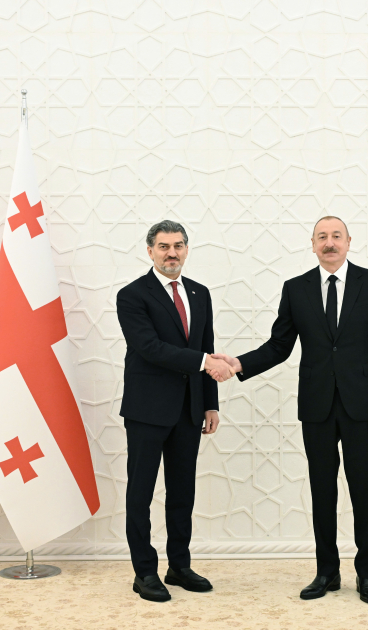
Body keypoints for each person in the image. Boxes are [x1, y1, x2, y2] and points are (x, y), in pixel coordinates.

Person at [212, 216, 368, 605]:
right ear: (313, 244)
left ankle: (366, 574)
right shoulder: (296, 288)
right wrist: (239, 364)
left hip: (365, 407)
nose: (329, 243)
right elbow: (279, 345)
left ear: (348, 241)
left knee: (363, 489)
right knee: (321, 490)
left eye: (336, 236)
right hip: (317, 406)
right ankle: (326, 572)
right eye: (322, 237)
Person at [116, 220, 234, 602]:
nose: (172, 253)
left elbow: (206, 346)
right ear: (150, 250)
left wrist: (210, 403)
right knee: (141, 493)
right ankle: (144, 572)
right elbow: (149, 347)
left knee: (183, 492)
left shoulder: (200, 293)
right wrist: (203, 362)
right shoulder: (132, 295)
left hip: (189, 409)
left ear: (186, 249)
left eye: (178, 245)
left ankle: (179, 566)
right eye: (164, 246)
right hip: (147, 410)